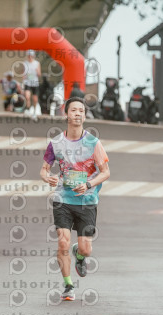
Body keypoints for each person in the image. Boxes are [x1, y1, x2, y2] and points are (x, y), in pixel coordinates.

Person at [39, 97, 110, 301]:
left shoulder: (94, 143)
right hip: (63, 199)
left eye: (81, 111)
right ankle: (68, 285)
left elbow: (106, 172)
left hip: (87, 201)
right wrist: (48, 178)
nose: (77, 114)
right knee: (62, 243)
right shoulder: (56, 143)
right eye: (74, 110)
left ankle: (79, 255)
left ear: (84, 116)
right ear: (66, 114)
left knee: (86, 249)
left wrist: (88, 184)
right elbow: (43, 170)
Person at [23, 49, 42, 117]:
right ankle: (27, 109)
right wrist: (23, 81)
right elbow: (24, 74)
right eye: (28, 56)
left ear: (33, 56)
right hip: (27, 82)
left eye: (31, 55)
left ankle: (34, 110)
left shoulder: (37, 63)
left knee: (34, 98)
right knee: (27, 96)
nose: (30, 57)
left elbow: (39, 74)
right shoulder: (25, 63)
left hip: (35, 83)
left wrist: (37, 71)